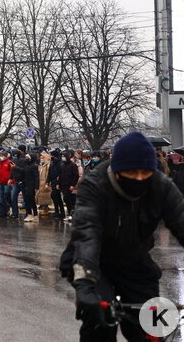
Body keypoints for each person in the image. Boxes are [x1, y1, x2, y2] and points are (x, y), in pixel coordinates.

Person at [60, 132, 184, 341]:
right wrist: (85, 283)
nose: (138, 178)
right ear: (117, 170)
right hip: (94, 261)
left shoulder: (161, 186)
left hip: (135, 260)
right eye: (131, 172)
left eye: (145, 172)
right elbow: (87, 234)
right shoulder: (95, 185)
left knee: (151, 327)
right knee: (100, 321)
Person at [60, 150, 80, 222]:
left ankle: (72, 213)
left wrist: (73, 185)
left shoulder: (73, 165)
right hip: (63, 185)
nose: (63, 158)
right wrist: (58, 184)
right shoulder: (62, 165)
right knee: (65, 199)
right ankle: (69, 213)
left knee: (69, 199)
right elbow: (60, 175)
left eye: (64, 156)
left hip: (69, 185)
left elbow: (75, 176)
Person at [22, 153, 40, 222]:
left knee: (31, 200)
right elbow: (24, 172)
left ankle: (33, 214)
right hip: (26, 184)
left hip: (31, 185)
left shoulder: (34, 166)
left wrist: (36, 187)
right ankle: (31, 214)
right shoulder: (27, 165)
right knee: (28, 200)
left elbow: (36, 177)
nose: (26, 159)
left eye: (27, 157)